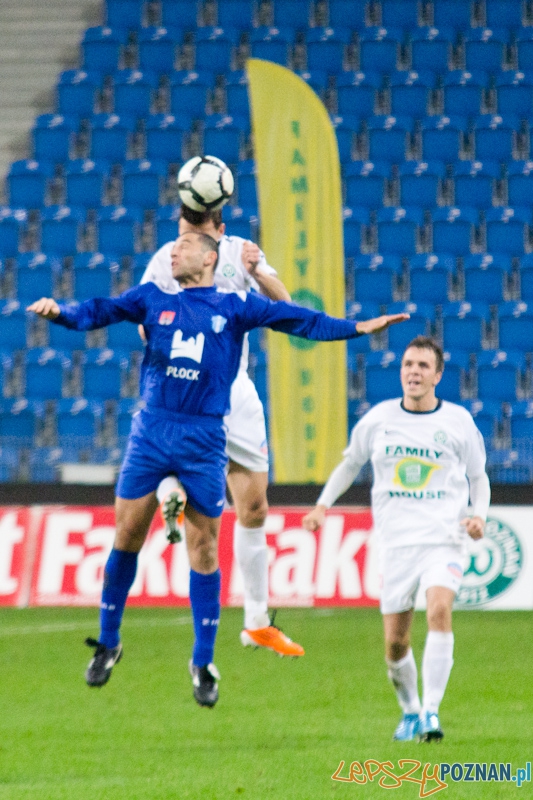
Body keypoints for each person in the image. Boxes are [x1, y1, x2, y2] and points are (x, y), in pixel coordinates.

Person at [27, 231, 408, 708]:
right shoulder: (152, 297)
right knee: (126, 534)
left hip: (205, 438)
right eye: (173, 247)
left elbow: (300, 320)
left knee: (204, 547)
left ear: (210, 258)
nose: (174, 251)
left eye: (184, 246)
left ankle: (203, 661)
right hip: (152, 431)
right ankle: (108, 642)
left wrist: (357, 327)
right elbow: (100, 311)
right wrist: (61, 313)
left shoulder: (235, 306)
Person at [303, 336, 490, 742]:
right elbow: (349, 464)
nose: (413, 372)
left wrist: (479, 515)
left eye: (423, 366)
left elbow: (479, 477)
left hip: (444, 537)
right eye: (408, 364)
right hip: (396, 544)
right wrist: (321, 506)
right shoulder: (378, 419)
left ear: (438, 375)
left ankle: (431, 713)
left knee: (439, 609)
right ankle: (410, 712)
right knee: (395, 642)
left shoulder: (457, 421)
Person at [142, 203, 305, 658]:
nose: (184, 238)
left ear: (219, 230)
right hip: (189, 384)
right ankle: (171, 490)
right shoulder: (166, 260)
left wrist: (257, 272)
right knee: (190, 493)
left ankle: (257, 622)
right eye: (182, 228)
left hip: (237, 390)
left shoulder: (242, 252)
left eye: (195, 228)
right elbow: (143, 326)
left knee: (254, 508)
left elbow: (287, 309)